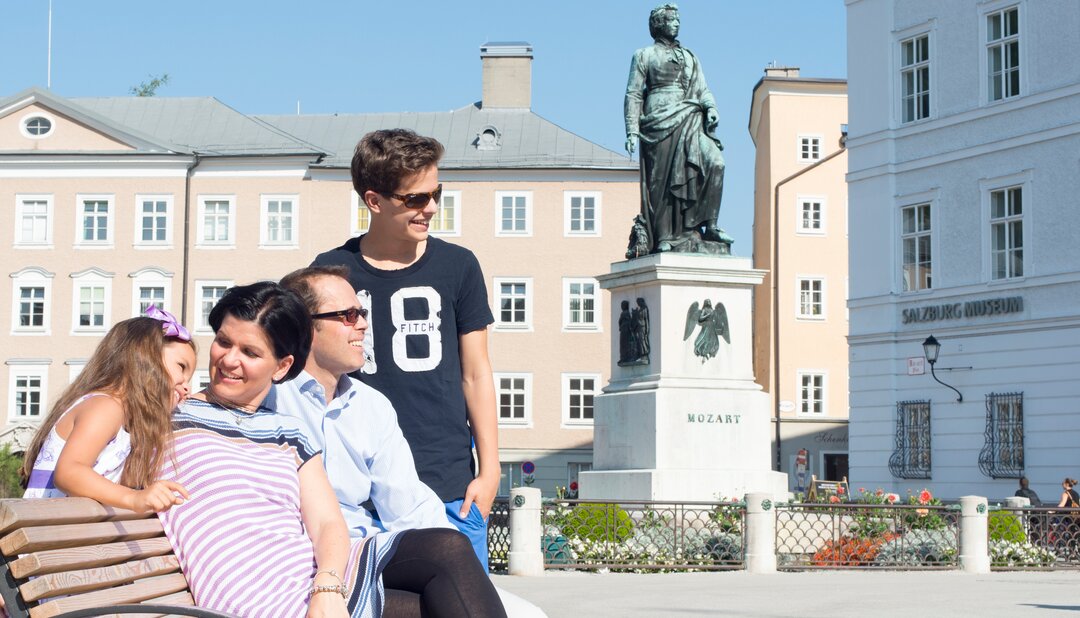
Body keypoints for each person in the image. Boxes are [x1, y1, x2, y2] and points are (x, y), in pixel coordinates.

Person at [158, 281, 504, 617]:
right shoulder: (172, 418)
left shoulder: (287, 430)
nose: (229, 360)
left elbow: (327, 522)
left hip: (308, 577)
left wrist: (326, 587)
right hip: (259, 596)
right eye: (223, 342)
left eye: (250, 352)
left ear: (281, 367)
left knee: (448, 547)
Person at [311, 128, 499, 568]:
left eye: (436, 193)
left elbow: (476, 373)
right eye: (416, 198)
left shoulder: (459, 266)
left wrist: (490, 471)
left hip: (449, 488)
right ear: (374, 201)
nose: (431, 207)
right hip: (357, 498)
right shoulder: (330, 272)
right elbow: (311, 377)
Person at [21, 308, 195, 512]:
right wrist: (134, 498)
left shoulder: (123, 420)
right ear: (145, 356)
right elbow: (69, 472)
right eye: (181, 367)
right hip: (49, 527)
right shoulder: (105, 407)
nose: (187, 387)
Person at [624, 3, 730, 253]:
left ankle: (710, 224)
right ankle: (664, 235)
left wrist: (711, 107)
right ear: (659, 24)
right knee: (661, 181)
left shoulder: (690, 56)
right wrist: (631, 129)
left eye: (678, 20)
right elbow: (633, 93)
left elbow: (703, 88)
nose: (676, 24)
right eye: (672, 20)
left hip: (691, 115)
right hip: (658, 120)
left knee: (716, 163)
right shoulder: (644, 55)